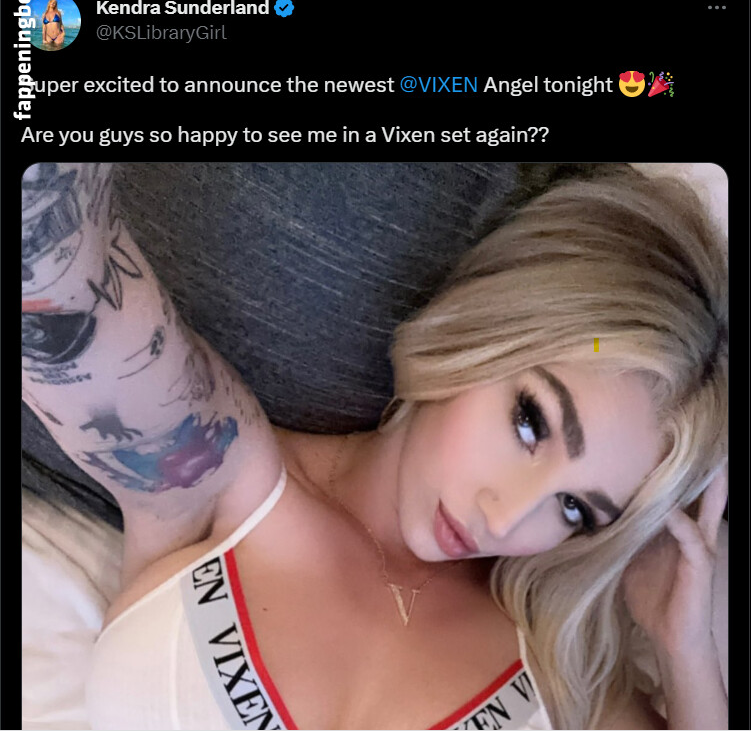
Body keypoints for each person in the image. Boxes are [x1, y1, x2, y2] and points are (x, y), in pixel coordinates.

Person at [21, 162, 728, 730]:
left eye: (575, 508)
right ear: (483, 330)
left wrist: (684, 649)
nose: (506, 517)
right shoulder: (213, 472)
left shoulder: (560, 671)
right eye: (529, 423)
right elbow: (48, 271)